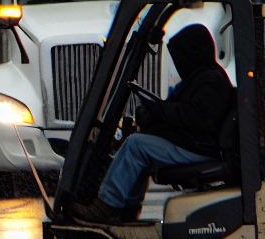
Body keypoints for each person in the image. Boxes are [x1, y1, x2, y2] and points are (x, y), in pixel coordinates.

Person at [73, 24, 234, 224]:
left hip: (201, 147)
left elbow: (197, 118)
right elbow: (178, 111)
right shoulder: (199, 78)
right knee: (141, 148)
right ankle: (127, 211)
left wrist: (159, 110)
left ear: (192, 53)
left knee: (137, 146)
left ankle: (108, 206)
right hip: (194, 143)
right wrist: (153, 114)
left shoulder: (211, 80)